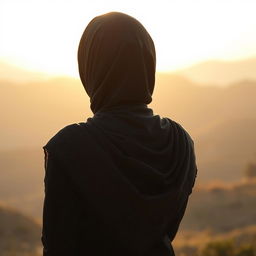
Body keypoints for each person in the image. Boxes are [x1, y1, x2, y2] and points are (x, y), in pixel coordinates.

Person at [41, 12, 197, 256]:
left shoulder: (69, 148)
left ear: (90, 66)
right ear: (147, 62)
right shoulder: (180, 142)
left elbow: (58, 246)